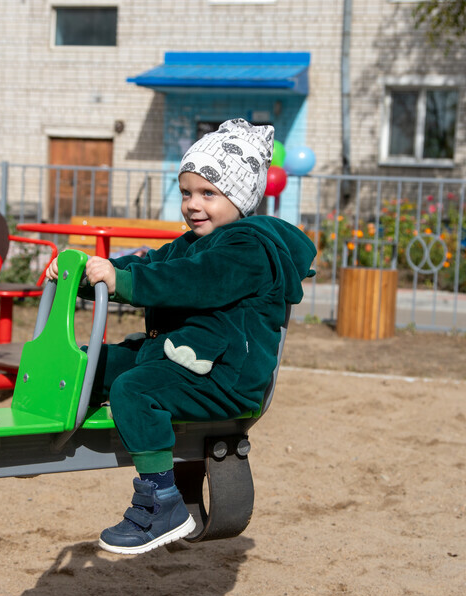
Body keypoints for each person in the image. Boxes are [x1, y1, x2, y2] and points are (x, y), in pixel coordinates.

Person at [45, 118, 317, 554]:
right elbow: (152, 262)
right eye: (187, 192)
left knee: (135, 390)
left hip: (226, 379)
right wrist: (85, 273)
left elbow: (189, 280)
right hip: (183, 359)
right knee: (92, 362)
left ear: (241, 196)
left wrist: (124, 283)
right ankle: (43, 437)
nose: (193, 204)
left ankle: (162, 503)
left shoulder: (247, 249)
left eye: (209, 193)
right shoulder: (194, 242)